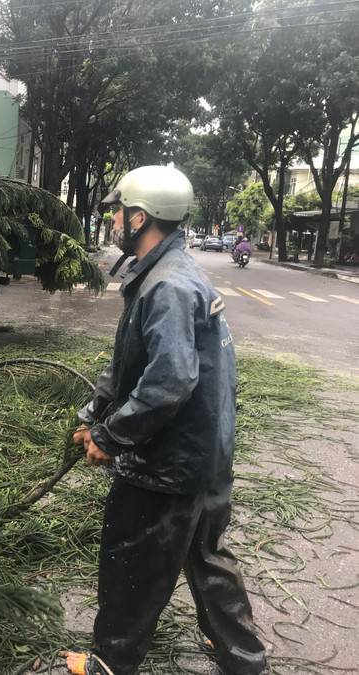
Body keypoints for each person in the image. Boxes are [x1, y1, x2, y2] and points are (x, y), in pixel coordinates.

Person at [61, 166, 267, 675]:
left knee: (132, 556)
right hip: (207, 451)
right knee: (206, 556)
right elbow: (131, 357)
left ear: (139, 216)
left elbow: (168, 382)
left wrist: (111, 437)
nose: (110, 220)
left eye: (116, 211)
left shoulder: (168, 285)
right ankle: (245, 659)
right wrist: (93, 410)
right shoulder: (166, 270)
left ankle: (110, 662)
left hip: (170, 460)